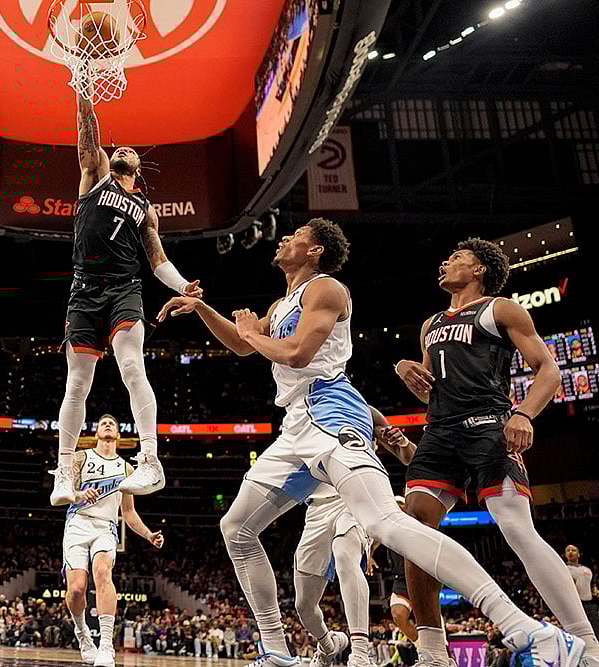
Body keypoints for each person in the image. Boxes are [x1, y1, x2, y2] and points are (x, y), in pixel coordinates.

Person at [157, 219, 586, 667]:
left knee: (385, 523)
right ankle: (277, 651)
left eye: (296, 234)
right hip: (296, 423)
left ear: (316, 251)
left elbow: (297, 353)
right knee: (236, 529)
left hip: (330, 409)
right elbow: (245, 347)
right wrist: (203, 309)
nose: (285, 238)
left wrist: (249, 333)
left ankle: (525, 628)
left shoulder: (326, 290)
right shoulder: (283, 302)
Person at [395, 238, 599, 667]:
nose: (446, 261)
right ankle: (432, 650)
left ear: (480, 269)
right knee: (414, 526)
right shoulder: (430, 323)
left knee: (517, 530)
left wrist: (523, 414)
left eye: (457, 258)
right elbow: (428, 380)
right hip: (439, 431)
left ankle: (585, 641)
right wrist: (406, 369)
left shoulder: (500, 308)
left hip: (488, 424)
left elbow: (549, 369)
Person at [50, 75, 203, 505]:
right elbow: (87, 129)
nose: (123, 148)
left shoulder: (145, 210)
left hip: (124, 290)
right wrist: (84, 90)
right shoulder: (94, 176)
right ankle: (64, 473)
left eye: (130, 151)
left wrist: (182, 284)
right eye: (118, 147)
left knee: (132, 368)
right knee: (77, 382)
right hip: (83, 291)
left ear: (139, 169)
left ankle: (151, 461)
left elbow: (157, 261)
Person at [295, 408, 417, 667]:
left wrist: (402, 441)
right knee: (304, 605)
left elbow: (409, 458)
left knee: (345, 556)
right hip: (316, 506)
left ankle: (361, 653)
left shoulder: (364, 411)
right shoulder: (298, 411)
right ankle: (328, 644)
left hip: (355, 496)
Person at [56, 414, 165, 666]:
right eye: (102, 423)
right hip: (78, 523)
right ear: (96, 434)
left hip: (105, 526)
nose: (107, 425)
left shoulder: (127, 469)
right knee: (76, 589)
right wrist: (81, 494)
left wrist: (148, 534)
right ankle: (82, 633)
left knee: (103, 573)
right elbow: (65, 491)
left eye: (112, 424)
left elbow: (128, 512)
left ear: (117, 435)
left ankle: (106, 646)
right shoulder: (81, 458)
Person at [368, 497, 419, 644]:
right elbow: (373, 541)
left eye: (400, 505)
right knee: (398, 615)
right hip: (401, 578)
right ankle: (422, 649)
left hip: (421, 578)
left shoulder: (416, 524)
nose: (397, 508)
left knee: (428, 622)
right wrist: (369, 556)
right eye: (394, 506)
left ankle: (444, 655)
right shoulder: (388, 529)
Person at [566, 546, 598, 635]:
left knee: (595, 629)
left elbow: (593, 587)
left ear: (579, 554)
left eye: (573, 550)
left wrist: (595, 592)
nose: (570, 552)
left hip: (589, 605)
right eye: (568, 550)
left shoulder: (587, 570)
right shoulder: (564, 569)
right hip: (575, 604)